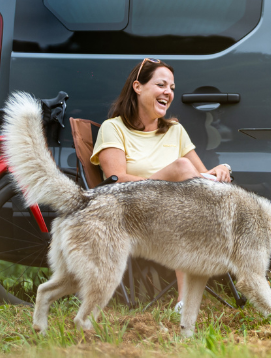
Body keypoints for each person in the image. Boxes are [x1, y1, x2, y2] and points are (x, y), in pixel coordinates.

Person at [90, 57, 234, 313]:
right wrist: (169, 183)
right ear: (138, 87)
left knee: (189, 183)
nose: (168, 92)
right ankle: (186, 300)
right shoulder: (114, 128)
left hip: (177, 211)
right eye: (161, 85)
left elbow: (201, 177)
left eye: (172, 88)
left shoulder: (174, 131)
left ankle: (184, 302)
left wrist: (222, 170)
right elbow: (115, 179)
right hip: (131, 211)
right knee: (181, 169)